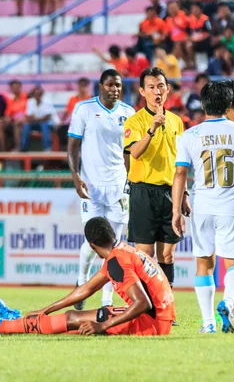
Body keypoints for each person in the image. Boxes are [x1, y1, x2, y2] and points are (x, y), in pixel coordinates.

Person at [0, 217, 176, 336]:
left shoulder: (117, 261)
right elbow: (86, 289)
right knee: (74, 326)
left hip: (152, 322)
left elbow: (142, 303)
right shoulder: (122, 252)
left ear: (91, 245)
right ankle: (19, 321)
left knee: (73, 318)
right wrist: (45, 310)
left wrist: (103, 325)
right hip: (159, 318)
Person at [171, 80, 234, 334]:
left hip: (202, 206)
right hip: (231, 205)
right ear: (229, 103)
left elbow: (180, 174)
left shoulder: (190, 135)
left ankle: (208, 323)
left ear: (203, 105)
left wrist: (176, 210)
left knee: (204, 265)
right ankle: (229, 303)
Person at [67, 69, 135, 310]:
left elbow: (130, 153)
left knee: (114, 246)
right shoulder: (84, 109)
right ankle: (82, 283)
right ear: (100, 86)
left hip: (118, 187)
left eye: (118, 85)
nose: (114, 89)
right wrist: (75, 175)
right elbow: (73, 144)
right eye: (110, 85)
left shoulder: (129, 113)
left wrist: (131, 182)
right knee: (93, 240)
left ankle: (107, 301)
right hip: (91, 187)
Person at [123, 67, 190, 304]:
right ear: (142, 91)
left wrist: (184, 195)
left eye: (160, 86)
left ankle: (165, 305)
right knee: (145, 254)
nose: (156, 91)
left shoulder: (176, 122)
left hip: (170, 191)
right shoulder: (135, 121)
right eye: (151, 87)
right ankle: (144, 305)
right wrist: (151, 129)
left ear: (168, 88)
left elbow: (179, 161)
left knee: (168, 254)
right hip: (143, 191)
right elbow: (136, 153)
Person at [21, 86, 58, 151]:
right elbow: (29, 117)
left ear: (42, 94)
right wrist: (38, 119)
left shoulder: (47, 101)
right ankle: (23, 148)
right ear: (33, 95)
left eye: (39, 94)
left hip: (48, 124)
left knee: (44, 124)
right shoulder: (30, 102)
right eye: (36, 94)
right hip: (36, 123)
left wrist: (35, 118)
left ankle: (47, 148)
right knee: (26, 125)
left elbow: (47, 117)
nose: (37, 95)